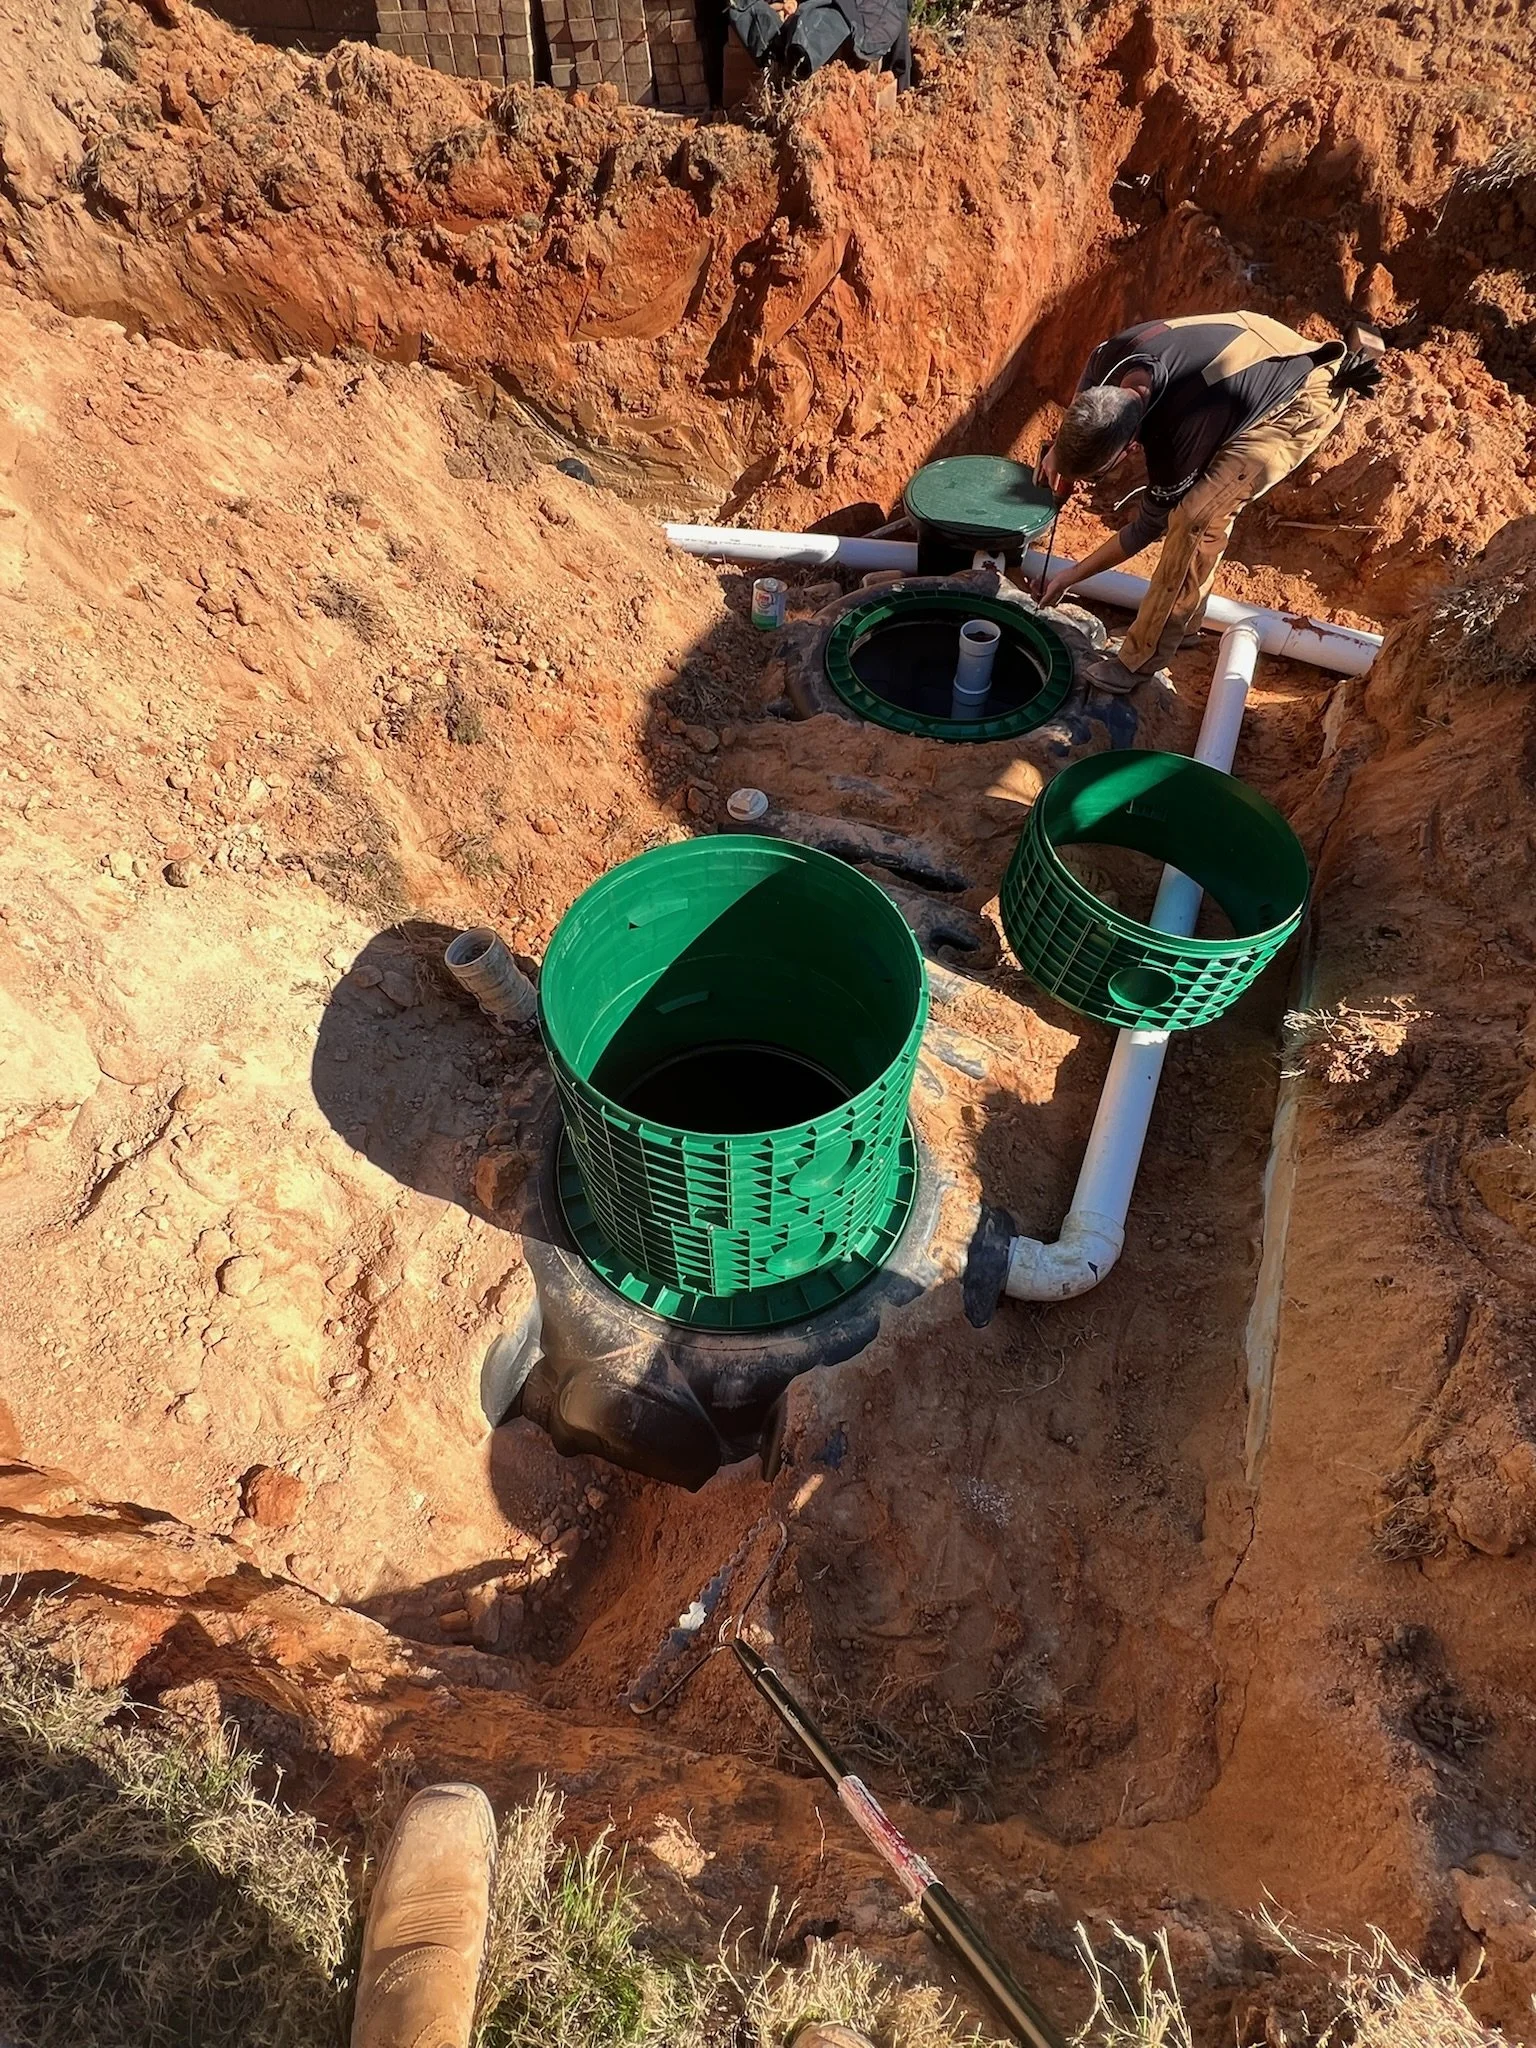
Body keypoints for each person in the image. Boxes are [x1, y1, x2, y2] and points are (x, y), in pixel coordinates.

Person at [1039, 311, 1382, 691]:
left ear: (1130, 446)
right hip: (1254, 351)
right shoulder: (1109, 358)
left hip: (1299, 399)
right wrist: (1061, 452)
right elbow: (1083, 413)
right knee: (1198, 514)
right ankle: (1183, 623)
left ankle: (1140, 660)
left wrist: (1073, 575)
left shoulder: (1178, 436)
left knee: (1196, 518)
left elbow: (1148, 527)